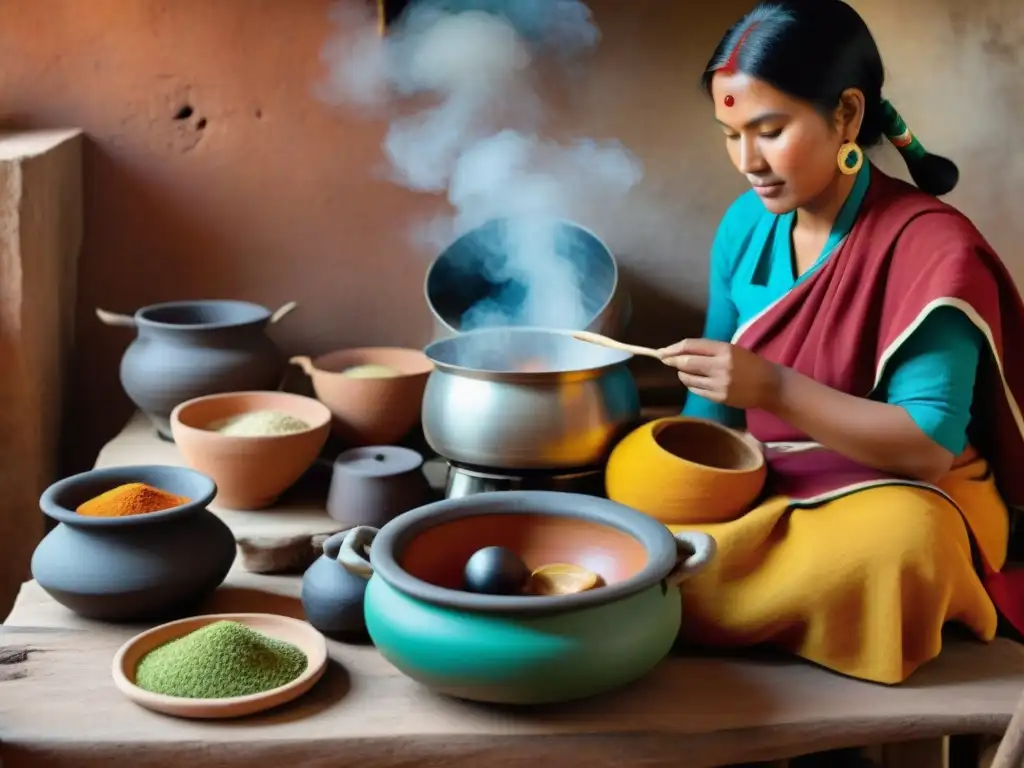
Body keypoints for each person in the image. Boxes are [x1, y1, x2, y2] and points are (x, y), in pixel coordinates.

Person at [653, 0, 1024, 685]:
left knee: (896, 551)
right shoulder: (745, 226)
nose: (747, 162)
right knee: (638, 501)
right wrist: (685, 480)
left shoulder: (935, 247)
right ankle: (709, 589)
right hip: (774, 479)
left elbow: (926, 446)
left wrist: (772, 388)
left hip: (904, 495)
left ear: (848, 116)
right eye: (730, 133)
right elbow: (713, 406)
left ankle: (693, 602)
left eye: (768, 131)